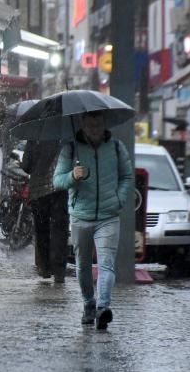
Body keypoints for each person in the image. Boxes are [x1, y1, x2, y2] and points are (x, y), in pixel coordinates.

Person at [53, 111, 133, 330]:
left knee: (106, 264)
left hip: (109, 216)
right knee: (83, 267)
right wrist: (72, 176)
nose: (95, 129)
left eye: (98, 125)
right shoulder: (71, 149)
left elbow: (127, 176)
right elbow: (57, 181)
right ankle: (89, 303)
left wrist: (119, 198)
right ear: (83, 125)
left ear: (104, 124)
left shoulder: (116, 147)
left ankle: (103, 307)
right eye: (91, 125)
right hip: (80, 216)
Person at [21, 140, 69, 283]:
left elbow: (26, 167)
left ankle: (45, 267)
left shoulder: (35, 137)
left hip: (39, 191)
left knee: (42, 230)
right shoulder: (64, 136)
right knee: (60, 230)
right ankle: (59, 270)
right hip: (59, 190)